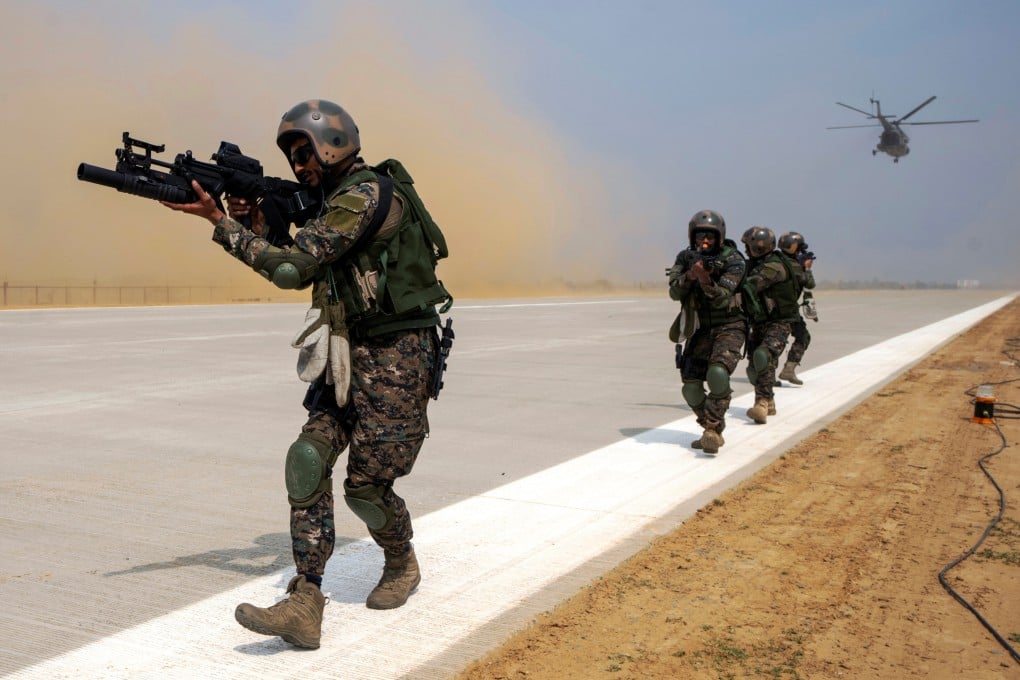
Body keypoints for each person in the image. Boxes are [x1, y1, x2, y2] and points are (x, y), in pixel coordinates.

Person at [161, 99, 452, 649]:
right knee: (307, 460)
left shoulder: (363, 195)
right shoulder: (322, 201)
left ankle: (401, 562)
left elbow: (293, 269)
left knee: (366, 489)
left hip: (397, 356)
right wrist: (254, 217)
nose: (299, 165)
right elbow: (282, 248)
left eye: (305, 152)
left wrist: (221, 224)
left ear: (333, 143)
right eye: (292, 156)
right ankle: (305, 600)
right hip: (345, 347)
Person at [667, 210, 746, 454]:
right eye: (700, 236)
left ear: (719, 237)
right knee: (690, 387)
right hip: (700, 327)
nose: (704, 241)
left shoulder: (734, 259)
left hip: (730, 324)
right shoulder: (685, 257)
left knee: (718, 374)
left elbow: (723, 298)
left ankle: (712, 430)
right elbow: (673, 293)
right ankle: (710, 428)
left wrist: (705, 280)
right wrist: (690, 277)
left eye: (709, 237)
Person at [740, 226, 800, 424]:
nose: (746, 250)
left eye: (748, 247)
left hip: (779, 322)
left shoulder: (774, 267)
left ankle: (762, 403)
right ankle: (770, 401)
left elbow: (750, 285)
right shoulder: (755, 264)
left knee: (763, 356)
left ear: (758, 247)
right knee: (753, 368)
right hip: (759, 322)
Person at [776, 231, 816, 385]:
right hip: (785, 312)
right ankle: (778, 373)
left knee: (776, 342)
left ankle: (786, 371)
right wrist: (807, 268)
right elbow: (809, 284)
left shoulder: (776, 260)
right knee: (776, 343)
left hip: (785, 310)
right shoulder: (794, 266)